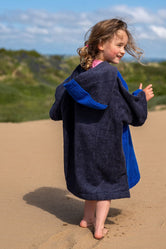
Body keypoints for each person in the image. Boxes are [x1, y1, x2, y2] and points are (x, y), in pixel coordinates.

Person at [49, 18, 154, 240]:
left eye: (124, 46)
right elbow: (126, 110)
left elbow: (62, 99)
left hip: (83, 143)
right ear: (100, 44)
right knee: (106, 187)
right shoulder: (110, 75)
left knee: (91, 184)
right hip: (108, 143)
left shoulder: (79, 73)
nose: (122, 51)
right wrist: (141, 98)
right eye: (119, 45)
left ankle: (86, 219)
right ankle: (99, 228)